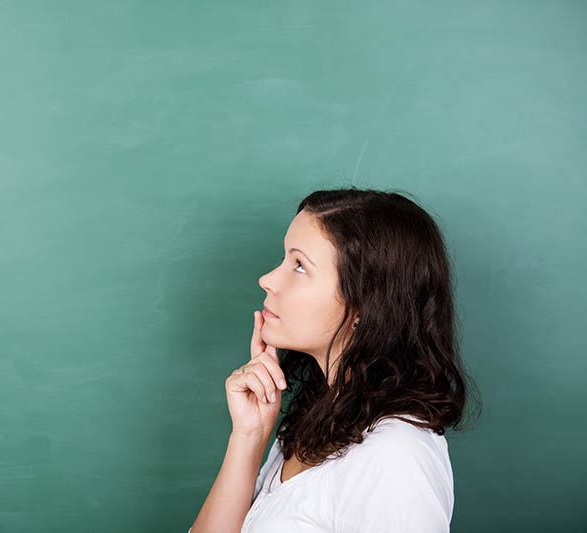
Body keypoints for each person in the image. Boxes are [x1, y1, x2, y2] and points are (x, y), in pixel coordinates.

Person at [189, 188, 480, 532]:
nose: (266, 280)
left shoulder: (396, 456)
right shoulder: (314, 420)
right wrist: (249, 436)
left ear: (364, 305)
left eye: (299, 266)